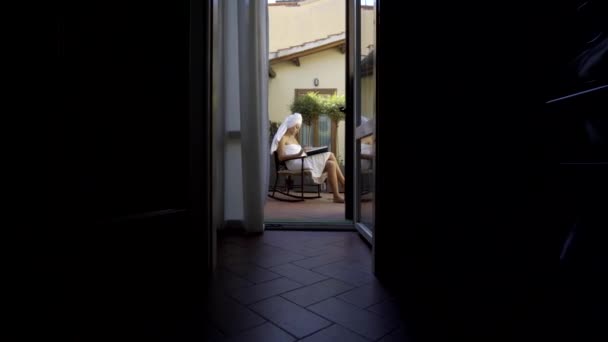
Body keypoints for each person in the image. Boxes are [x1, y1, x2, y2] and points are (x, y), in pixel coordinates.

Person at [270, 113, 345, 203]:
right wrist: (298, 154)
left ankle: (336, 196)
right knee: (331, 154)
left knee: (331, 164)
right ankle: (344, 183)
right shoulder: (283, 138)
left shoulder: (293, 138)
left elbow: (298, 151)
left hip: (302, 160)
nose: (297, 130)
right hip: (294, 163)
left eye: (298, 128)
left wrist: (306, 150)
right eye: (296, 127)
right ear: (290, 125)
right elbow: (281, 157)